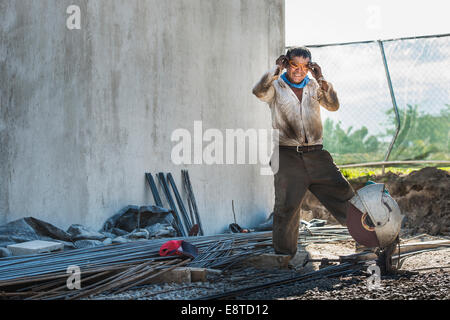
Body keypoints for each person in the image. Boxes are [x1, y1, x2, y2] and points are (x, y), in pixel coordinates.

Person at [252, 47, 355, 257]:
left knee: (345, 196)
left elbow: (333, 106)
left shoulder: (315, 86)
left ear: (310, 67)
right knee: (286, 208)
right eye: (294, 65)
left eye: (304, 66)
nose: (299, 70)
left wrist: (322, 78)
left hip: (317, 154)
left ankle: (368, 242)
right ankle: (284, 257)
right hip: (287, 155)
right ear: (286, 64)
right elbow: (259, 91)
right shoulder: (276, 87)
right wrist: (276, 69)